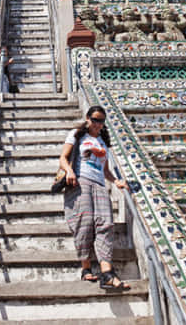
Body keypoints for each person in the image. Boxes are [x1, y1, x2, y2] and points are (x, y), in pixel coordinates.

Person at [59, 105, 130, 290]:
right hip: (80, 182)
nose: (99, 124)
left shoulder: (103, 141)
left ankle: (107, 272)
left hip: (99, 184)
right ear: (88, 118)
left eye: (102, 121)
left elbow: (105, 170)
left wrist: (116, 181)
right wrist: (68, 171)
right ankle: (86, 268)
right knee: (85, 223)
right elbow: (63, 157)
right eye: (96, 120)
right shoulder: (77, 135)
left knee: (106, 223)